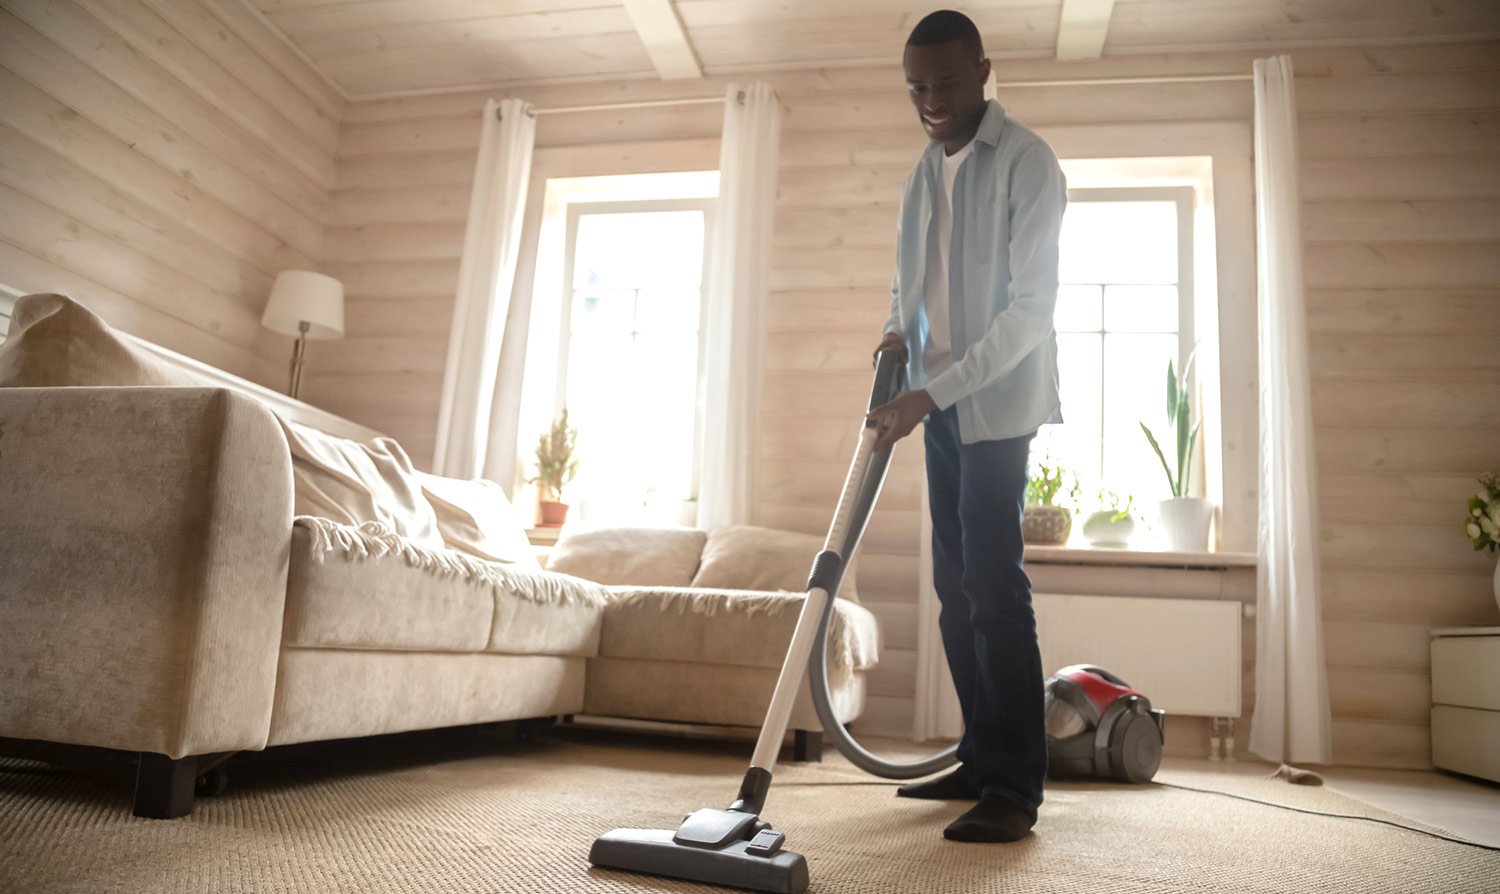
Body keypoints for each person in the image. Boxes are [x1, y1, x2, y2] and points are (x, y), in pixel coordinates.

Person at [866, 9, 1067, 843]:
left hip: (991, 406)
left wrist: (935, 391)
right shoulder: (924, 172)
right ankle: (980, 755)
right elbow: (906, 280)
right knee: (953, 589)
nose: (933, 100)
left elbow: (1030, 315)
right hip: (933, 402)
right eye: (917, 87)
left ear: (984, 70)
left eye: (948, 82)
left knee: (992, 584)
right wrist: (892, 334)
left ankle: (1015, 789)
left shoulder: (1027, 162)